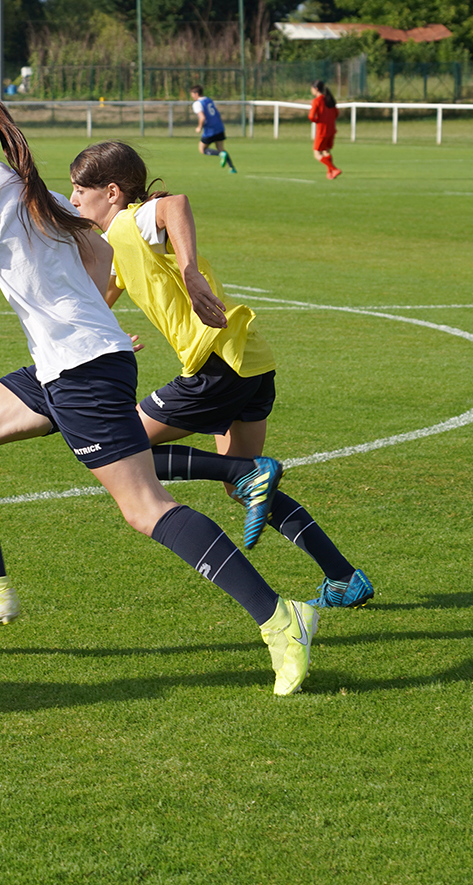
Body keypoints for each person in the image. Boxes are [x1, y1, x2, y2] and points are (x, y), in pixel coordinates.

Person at [0, 89, 318, 696]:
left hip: (79, 371)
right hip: (70, 365)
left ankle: (281, 618)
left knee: (144, 507)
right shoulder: (26, 186)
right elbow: (102, 256)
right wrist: (89, 320)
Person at [68, 140, 373, 609]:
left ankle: (246, 473)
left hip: (216, 364)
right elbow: (97, 301)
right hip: (250, 361)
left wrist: (190, 273)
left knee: (121, 450)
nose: (72, 199)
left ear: (111, 192)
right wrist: (101, 340)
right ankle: (343, 577)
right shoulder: (118, 246)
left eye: (78, 189)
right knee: (242, 489)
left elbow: (174, 206)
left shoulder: (131, 223)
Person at [189, 85, 235, 173]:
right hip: (219, 127)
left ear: (196, 93)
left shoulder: (197, 104)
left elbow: (202, 117)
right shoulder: (208, 99)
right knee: (221, 148)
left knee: (202, 149)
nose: (192, 96)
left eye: (192, 94)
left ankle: (220, 154)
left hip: (210, 130)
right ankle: (232, 168)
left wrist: (199, 127)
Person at [309, 80, 342, 180]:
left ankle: (334, 169)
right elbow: (336, 113)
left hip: (322, 130)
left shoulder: (317, 101)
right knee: (326, 151)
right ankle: (330, 172)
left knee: (317, 153)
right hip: (331, 129)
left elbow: (311, 116)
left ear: (316, 89)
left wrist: (317, 120)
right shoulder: (329, 100)